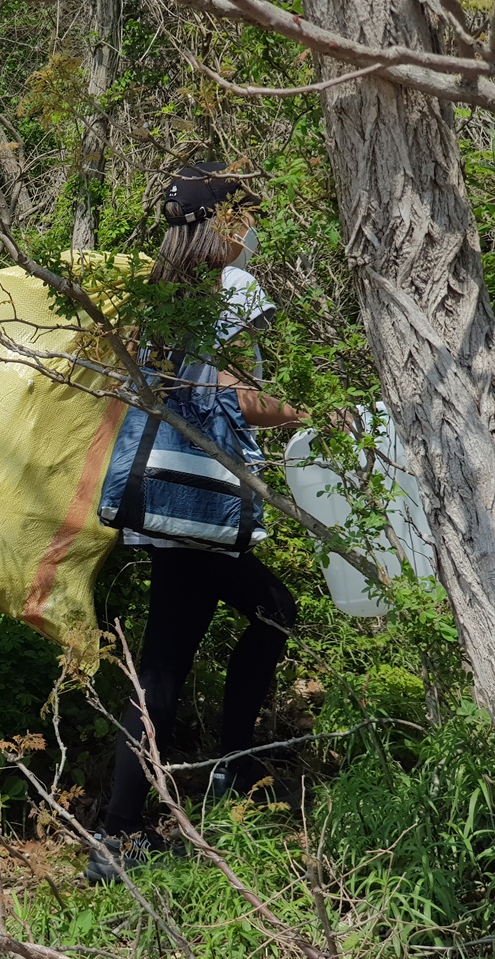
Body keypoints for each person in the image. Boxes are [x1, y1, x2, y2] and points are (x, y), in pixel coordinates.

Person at [86, 163, 308, 885]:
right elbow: (242, 399)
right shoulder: (233, 290)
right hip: (203, 505)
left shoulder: (151, 293)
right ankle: (169, 808)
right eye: (242, 216)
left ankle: (140, 821)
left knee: (180, 654)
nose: (251, 231)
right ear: (221, 224)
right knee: (222, 637)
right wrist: (313, 413)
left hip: (163, 500)